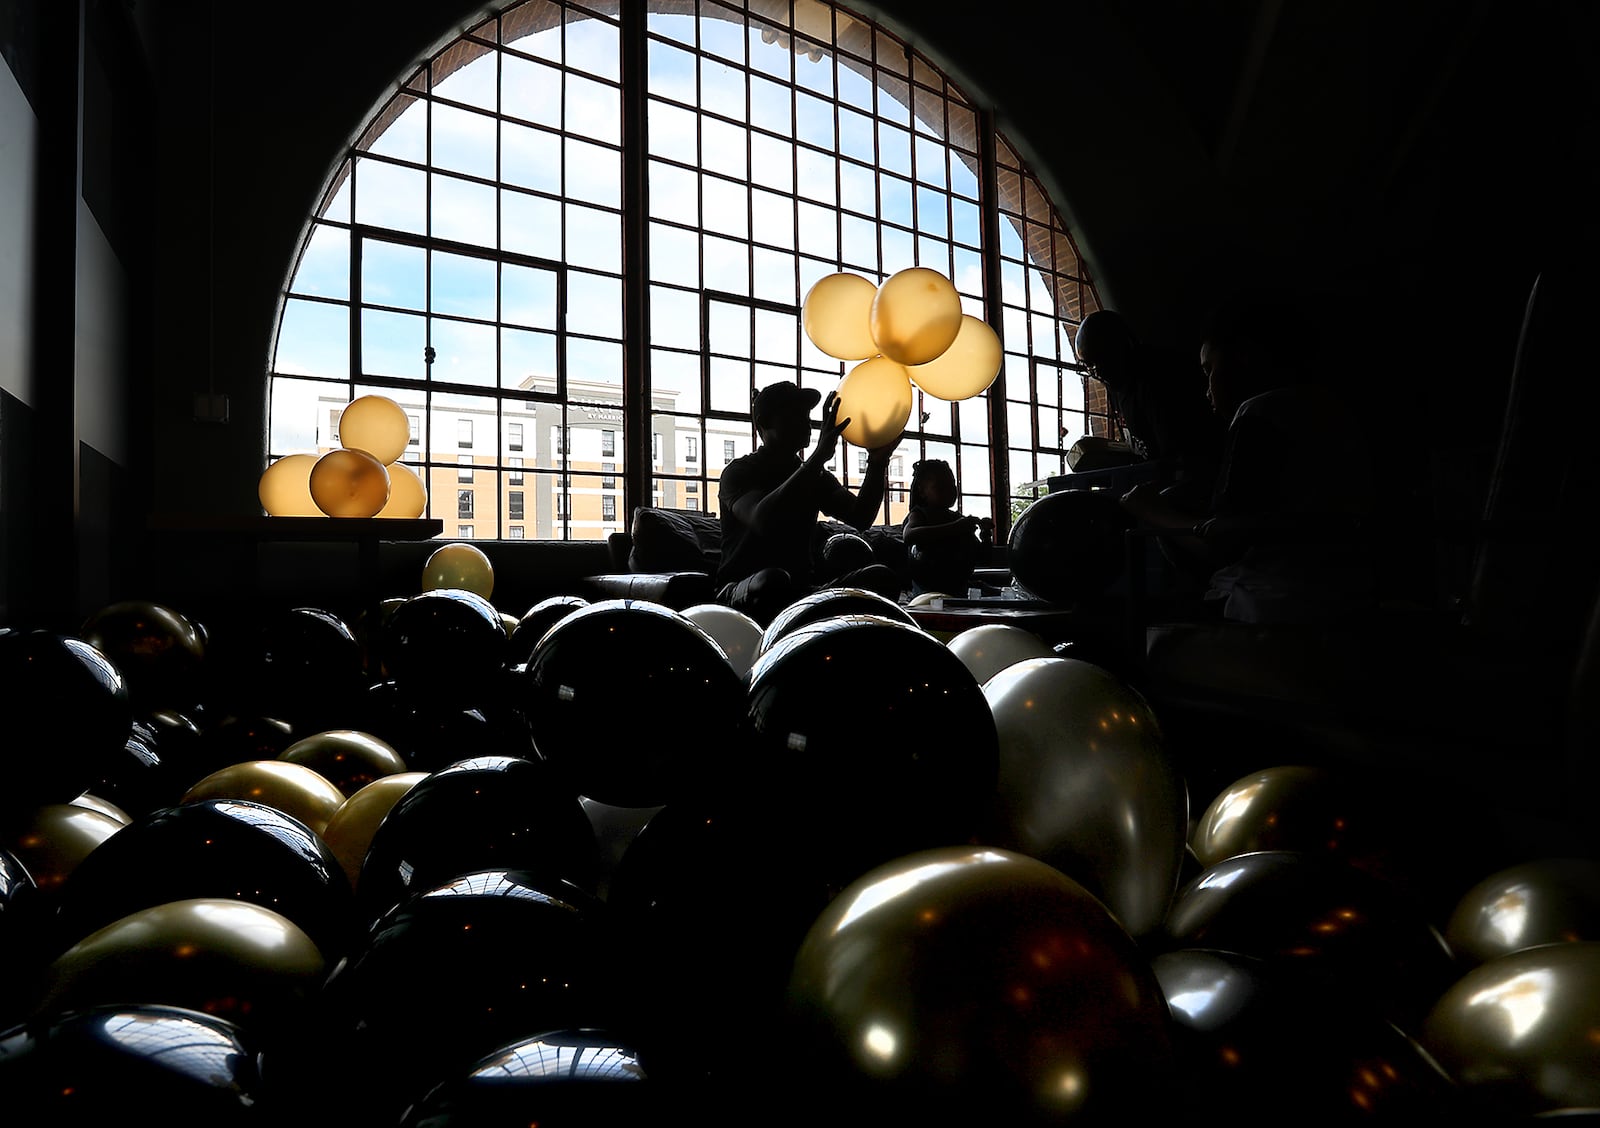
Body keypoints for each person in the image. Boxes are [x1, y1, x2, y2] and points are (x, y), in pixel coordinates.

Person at [1118, 294, 1378, 626]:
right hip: (1350, 599)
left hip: (1274, 605)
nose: (1206, 390)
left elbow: (1223, 545)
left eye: (1210, 368)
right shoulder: (1334, 411)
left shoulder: (1260, 413)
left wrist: (1149, 509)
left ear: (1245, 357)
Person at [715, 380, 904, 625]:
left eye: (806, 415)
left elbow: (861, 516)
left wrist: (878, 462)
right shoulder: (739, 472)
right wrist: (817, 459)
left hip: (800, 592)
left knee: (881, 577)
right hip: (740, 589)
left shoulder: (816, 476)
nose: (807, 423)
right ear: (764, 423)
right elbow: (762, 519)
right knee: (773, 581)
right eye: (794, 415)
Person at [1073, 308, 1224, 512]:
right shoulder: (1120, 384)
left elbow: (1186, 460)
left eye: (1101, 359)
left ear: (1124, 345)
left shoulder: (1158, 379)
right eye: (1089, 366)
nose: (1098, 372)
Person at [901, 458, 995, 597]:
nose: (949, 491)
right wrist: (956, 527)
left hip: (961, 589)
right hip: (928, 594)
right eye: (940, 486)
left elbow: (982, 558)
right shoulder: (919, 514)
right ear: (922, 492)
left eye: (952, 485)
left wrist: (986, 535)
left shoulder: (958, 520)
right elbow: (909, 535)